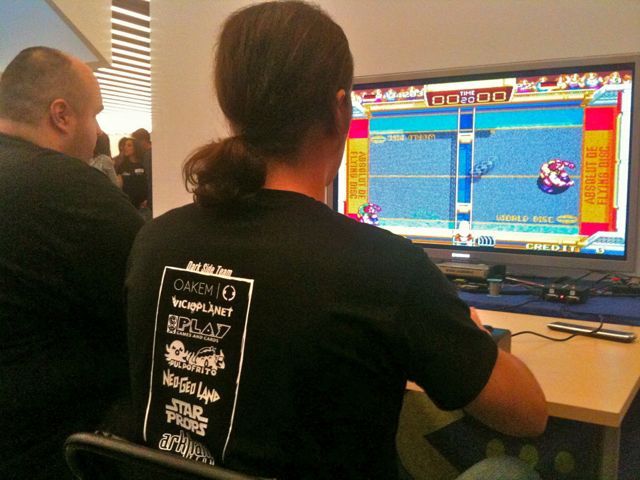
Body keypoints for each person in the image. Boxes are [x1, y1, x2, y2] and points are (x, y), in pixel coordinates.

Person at [125, 2, 547, 479]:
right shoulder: (382, 266)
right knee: (508, 472)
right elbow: (527, 415)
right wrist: (466, 334)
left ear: (231, 107)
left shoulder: (154, 241)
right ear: (339, 107)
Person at [0, 46, 145, 479]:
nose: (98, 131)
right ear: (61, 115)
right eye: (95, 115)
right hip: (51, 453)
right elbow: (147, 302)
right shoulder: (70, 190)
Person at [116, 136, 150, 217]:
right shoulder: (122, 166)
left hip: (142, 205)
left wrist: (147, 199)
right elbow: (119, 184)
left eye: (129, 145)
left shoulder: (143, 164)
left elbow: (147, 182)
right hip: (127, 204)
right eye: (125, 145)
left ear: (136, 148)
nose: (125, 147)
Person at [131, 127, 153, 215]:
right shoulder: (152, 152)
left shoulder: (148, 155)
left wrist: (147, 198)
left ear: (142, 141)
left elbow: (148, 178)